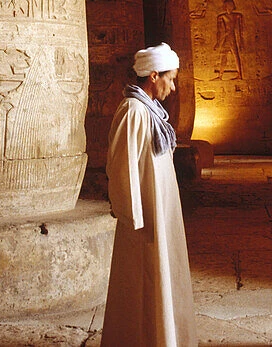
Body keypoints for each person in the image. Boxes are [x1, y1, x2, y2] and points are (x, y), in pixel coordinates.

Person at [101, 43, 196, 347]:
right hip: (144, 219)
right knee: (144, 280)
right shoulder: (133, 110)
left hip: (161, 210)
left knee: (161, 278)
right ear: (154, 76)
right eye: (171, 78)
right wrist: (134, 216)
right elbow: (121, 165)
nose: (174, 86)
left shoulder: (151, 111)